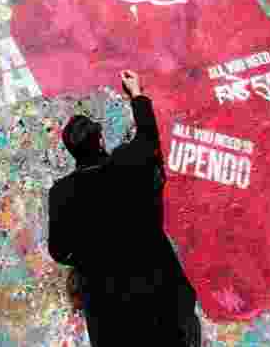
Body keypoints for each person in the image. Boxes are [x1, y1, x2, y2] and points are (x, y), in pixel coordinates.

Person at [48, 70, 201, 346]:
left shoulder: (61, 193)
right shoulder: (129, 163)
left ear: (72, 152)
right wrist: (137, 95)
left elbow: (58, 251)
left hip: (112, 319)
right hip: (162, 301)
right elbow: (148, 137)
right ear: (101, 140)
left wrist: (92, 255)